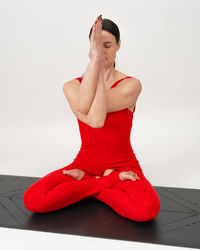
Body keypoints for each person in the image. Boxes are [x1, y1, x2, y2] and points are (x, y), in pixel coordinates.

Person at [23, 15, 160, 222]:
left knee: (147, 210)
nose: (102, 52)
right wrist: (106, 180)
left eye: (107, 45)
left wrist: (113, 175)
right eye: (97, 46)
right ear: (89, 48)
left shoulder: (131, 85)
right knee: (33, 199)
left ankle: (88, 187)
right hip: (83, 167)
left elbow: (97, 119)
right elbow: (92, 117)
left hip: (123, 167)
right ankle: (100, 183)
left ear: (118, 45)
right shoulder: (71, 86)